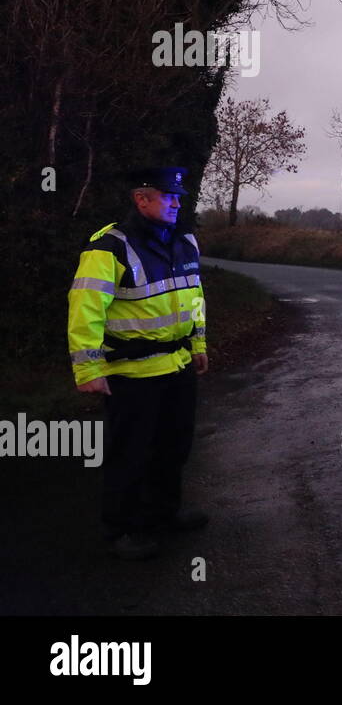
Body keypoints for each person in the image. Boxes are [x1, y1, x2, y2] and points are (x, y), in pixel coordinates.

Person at [67, 166, 211, 560]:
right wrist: (88, 368)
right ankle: (122, 529)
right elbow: (85, 310)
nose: (177, 204)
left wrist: (198, 343)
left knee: (174, 446)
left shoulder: (185, 241)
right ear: (141, 199)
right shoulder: (110, 246)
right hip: (132, 373)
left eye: (179, 197)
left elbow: (194, 298)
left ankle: (164, 514)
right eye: (168, 196)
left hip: (178, 365)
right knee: (130, 453)